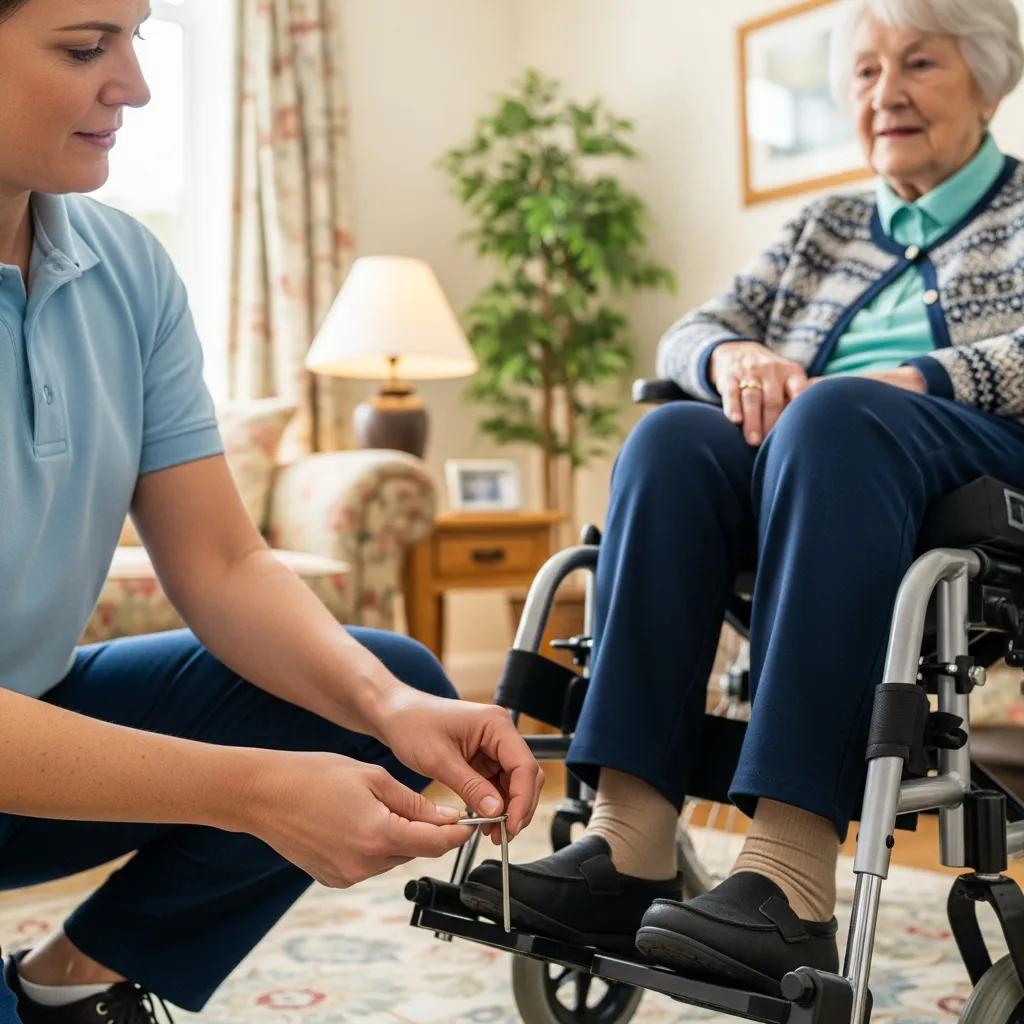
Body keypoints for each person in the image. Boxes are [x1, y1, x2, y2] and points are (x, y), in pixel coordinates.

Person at [463, 0, 1024, 995]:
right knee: (673, 432)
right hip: (817, 464)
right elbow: (690, 330)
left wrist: (921, 380)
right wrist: (734, 353)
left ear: (986, 84)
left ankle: (788, 879)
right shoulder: (825, 226)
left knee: (835, 415)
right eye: (860, 72)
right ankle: (627, 842)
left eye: (918, 64)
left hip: (965, 468)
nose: (883, 92)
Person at [0, 1, 544, 1021]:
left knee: (388, 682)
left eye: (136, 40)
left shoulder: (127, 269)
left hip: (34, 743)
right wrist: (253, 792)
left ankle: (63, 989)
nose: (135, 85)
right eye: (85, 48)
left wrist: (391, 713)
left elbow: (220, 562)